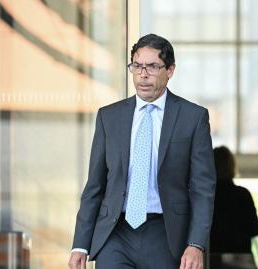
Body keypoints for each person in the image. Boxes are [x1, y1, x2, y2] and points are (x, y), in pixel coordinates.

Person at [68, 33, 216, 269]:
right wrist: (80, 244)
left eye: (153, 66)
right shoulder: (109, 117)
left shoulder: (193, 118)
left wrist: (196, 244)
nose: (143, 74)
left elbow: (203, 188)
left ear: (170, 70)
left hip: (165, 234)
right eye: (137, 65)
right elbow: (95, 186)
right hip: (115, 234)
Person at [210, 146, 258, 254]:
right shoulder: (243, 194)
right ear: (232, 166)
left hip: (212, 258)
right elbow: (255, 229)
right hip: (239, 258)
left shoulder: (205, 197)